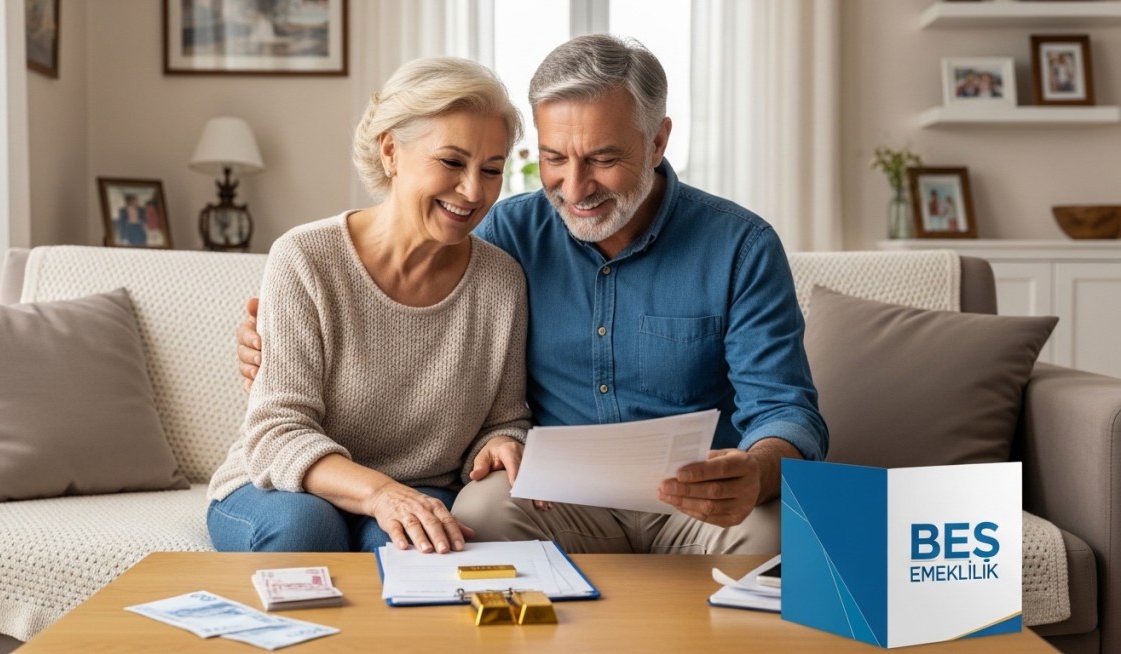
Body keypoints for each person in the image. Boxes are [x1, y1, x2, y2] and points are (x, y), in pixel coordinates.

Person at [237, 35, 828, 555]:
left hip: (694, 502)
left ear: (657, 141)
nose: (575, 188)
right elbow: (400, 321)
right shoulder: (503, 234)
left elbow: (785, 409)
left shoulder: (740, 245)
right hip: (556, 500)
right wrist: (265, 347)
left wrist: (755, 471)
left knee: (778, 538)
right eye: (553, 158)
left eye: (603, 158)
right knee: (476, 517)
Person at [207, 57, 532, 555]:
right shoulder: (306, 258)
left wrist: (502, 443)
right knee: (307, 530)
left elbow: (504, 418)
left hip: (419, 489)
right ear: (391, 152)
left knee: (408, 546)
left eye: (491, 170)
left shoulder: (501, 281)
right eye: (451, 162)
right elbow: (276, 433)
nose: (473, 191)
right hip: (285, 487)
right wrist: (379, 492)